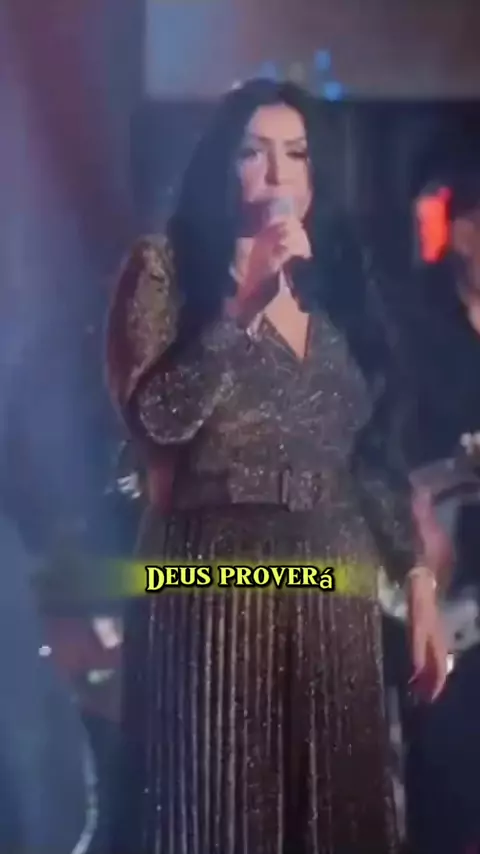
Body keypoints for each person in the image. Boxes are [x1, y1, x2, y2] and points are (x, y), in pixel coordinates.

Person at [106, 79, 443, 854]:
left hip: (333, 589)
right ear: (221, 166)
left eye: (296, 155)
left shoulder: (337, 288)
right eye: (253, 153)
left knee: (333, 817)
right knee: (219, 818)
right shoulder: (165, 270)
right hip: (211, 589)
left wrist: (419, 582)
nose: (277, 174)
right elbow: (156, 420)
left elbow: (373, 455)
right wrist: (245, 307)